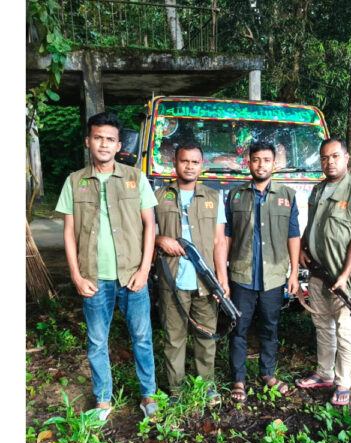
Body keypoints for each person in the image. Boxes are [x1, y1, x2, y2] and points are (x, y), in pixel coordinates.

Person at [55, 112, 159, 419]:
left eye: (110, 139)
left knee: (142, 336)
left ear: (119, 145)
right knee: (97, 341)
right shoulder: (75, 181)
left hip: (132, 277)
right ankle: (102, 399)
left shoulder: (134, 178)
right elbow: (69, 233)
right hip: (94, 278)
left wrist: (144, 270)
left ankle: (148, 395)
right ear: (88, 142)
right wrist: (75, 275)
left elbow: (150, 226)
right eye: (98, 137)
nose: (103, 144)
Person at [295, 138, 351, 406]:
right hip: (319, 272)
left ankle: (344, 383)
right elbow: (313, 224)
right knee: (322, 326)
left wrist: (343, 276)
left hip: (345, 279)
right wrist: (304, 248)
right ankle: (324, 373)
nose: (329, 162)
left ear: (347, 159)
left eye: (335, 156)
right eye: (325, 158)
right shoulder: (318, 190)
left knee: (345, 329)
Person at [225, 141, 300, 403]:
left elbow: (293, 235)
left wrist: (293, 273)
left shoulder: (287, 196)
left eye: (266, 160)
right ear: (248, 162)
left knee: (270, 327)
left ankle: (267, 373)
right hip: (242, 276)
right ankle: (238, 378)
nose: (261, 165)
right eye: (256, 160)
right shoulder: (235, 195)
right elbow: (227, 237)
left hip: (274, 276)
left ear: (274, 164)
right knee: (238, 328)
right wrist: (222, 275)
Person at [154, 141, 228, 406]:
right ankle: (175, 390)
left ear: (202, 166)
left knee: (206, 336)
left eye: (195, 162)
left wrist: (222, 278)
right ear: (175, 163)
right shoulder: (159, 196)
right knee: (174, 338)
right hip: (172, 279)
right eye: (184, 161)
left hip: (205, 281)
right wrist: (159, 238)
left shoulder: (213, 197)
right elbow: (145, 232)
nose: (189, 166)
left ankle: (206, 386)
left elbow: (220, 241)